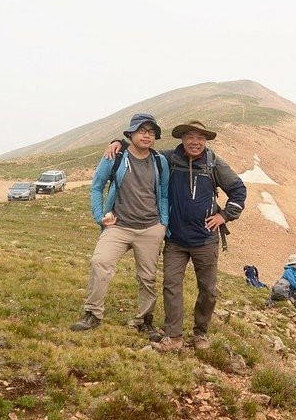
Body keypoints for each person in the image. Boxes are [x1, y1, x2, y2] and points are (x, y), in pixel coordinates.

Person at [108, 120, 246, 351]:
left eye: (200, 138)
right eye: (190, 136)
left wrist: (225, 215)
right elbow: (141, 151)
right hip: (175, 239)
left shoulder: (213, 163)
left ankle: (201, 333)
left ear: (205, 141)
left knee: (209, 290)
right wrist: (119, 143)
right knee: (171, 286)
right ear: (182, 138)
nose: (195, 142)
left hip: (206, 239)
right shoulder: (168, 159)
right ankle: (174, 336)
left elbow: (239, 190)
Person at [70, 113, 170, 341]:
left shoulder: (159, 161)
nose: (147, 135)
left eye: (151, 132)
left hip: (150, 228)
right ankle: (92, 314)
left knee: (147, 277)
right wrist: (99, 216)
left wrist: (162, 224)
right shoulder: (114, 156)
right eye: (142, 131)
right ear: (130, 134)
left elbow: (164, 194)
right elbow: (96, 187)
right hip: (118, 226)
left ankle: (145, 320)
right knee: (100, 262)